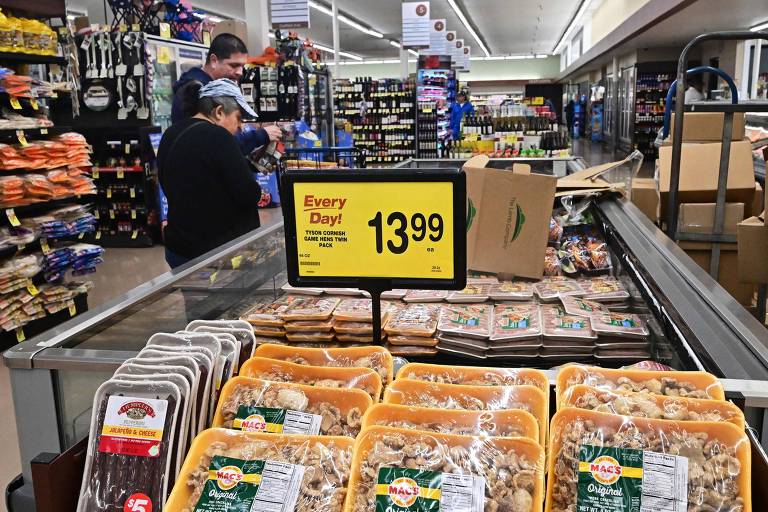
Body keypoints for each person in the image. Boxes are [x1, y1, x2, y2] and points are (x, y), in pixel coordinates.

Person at [159, 79, 262, 269]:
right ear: (219, 111)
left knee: (194, 299)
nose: (241, 126)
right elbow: (248, 193)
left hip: (180, 249)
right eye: (239, 118)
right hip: (219, 254)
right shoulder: (220, 138)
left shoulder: (170, 134)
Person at [170, 32, 281, 144]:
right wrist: (260, 136)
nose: (240, 72)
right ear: (214, 61)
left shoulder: (215, 89)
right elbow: (219, 142)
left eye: (242, 66)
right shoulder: (198, 92)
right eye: (233, 65)